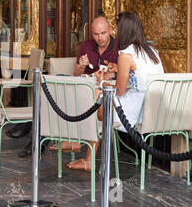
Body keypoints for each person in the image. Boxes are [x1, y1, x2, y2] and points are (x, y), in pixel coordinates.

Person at [67, 11, 164, 171]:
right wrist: (118, 69)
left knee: (97, 101)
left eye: (117, 29)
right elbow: (138, 73)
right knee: (99, 104)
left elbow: (119, 91)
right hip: (155, 110)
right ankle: (83, 147)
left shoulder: (126, 54)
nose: (116, 33)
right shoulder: (152, 51)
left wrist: (102, 81)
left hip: (138, 112)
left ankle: (87, 157)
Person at [50, 16, 119, 153]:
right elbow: (76, 74)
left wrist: (112, 72)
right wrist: (81, 66)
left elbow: (124, 73)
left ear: (110, 30)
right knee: (63, 90)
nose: (100, 38)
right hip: (86, 89)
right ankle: (74, 140)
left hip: (107, 95)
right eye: (96, 34)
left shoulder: (118, 48)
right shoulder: (87, 46)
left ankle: (76, 142)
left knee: (93, 101)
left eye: (103, 33)